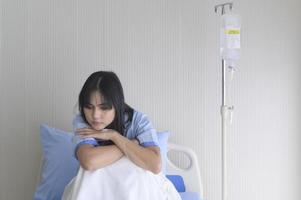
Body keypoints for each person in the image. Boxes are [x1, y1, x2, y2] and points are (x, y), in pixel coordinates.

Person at [72, 71, 162, 174]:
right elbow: (89, 162)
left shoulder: (139, 121)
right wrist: (133, 143)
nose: (95, 115)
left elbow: (155, 165)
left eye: (104, 108)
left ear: (118, 105)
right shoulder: (82, 121)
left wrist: (114, 136)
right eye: (88, 107)